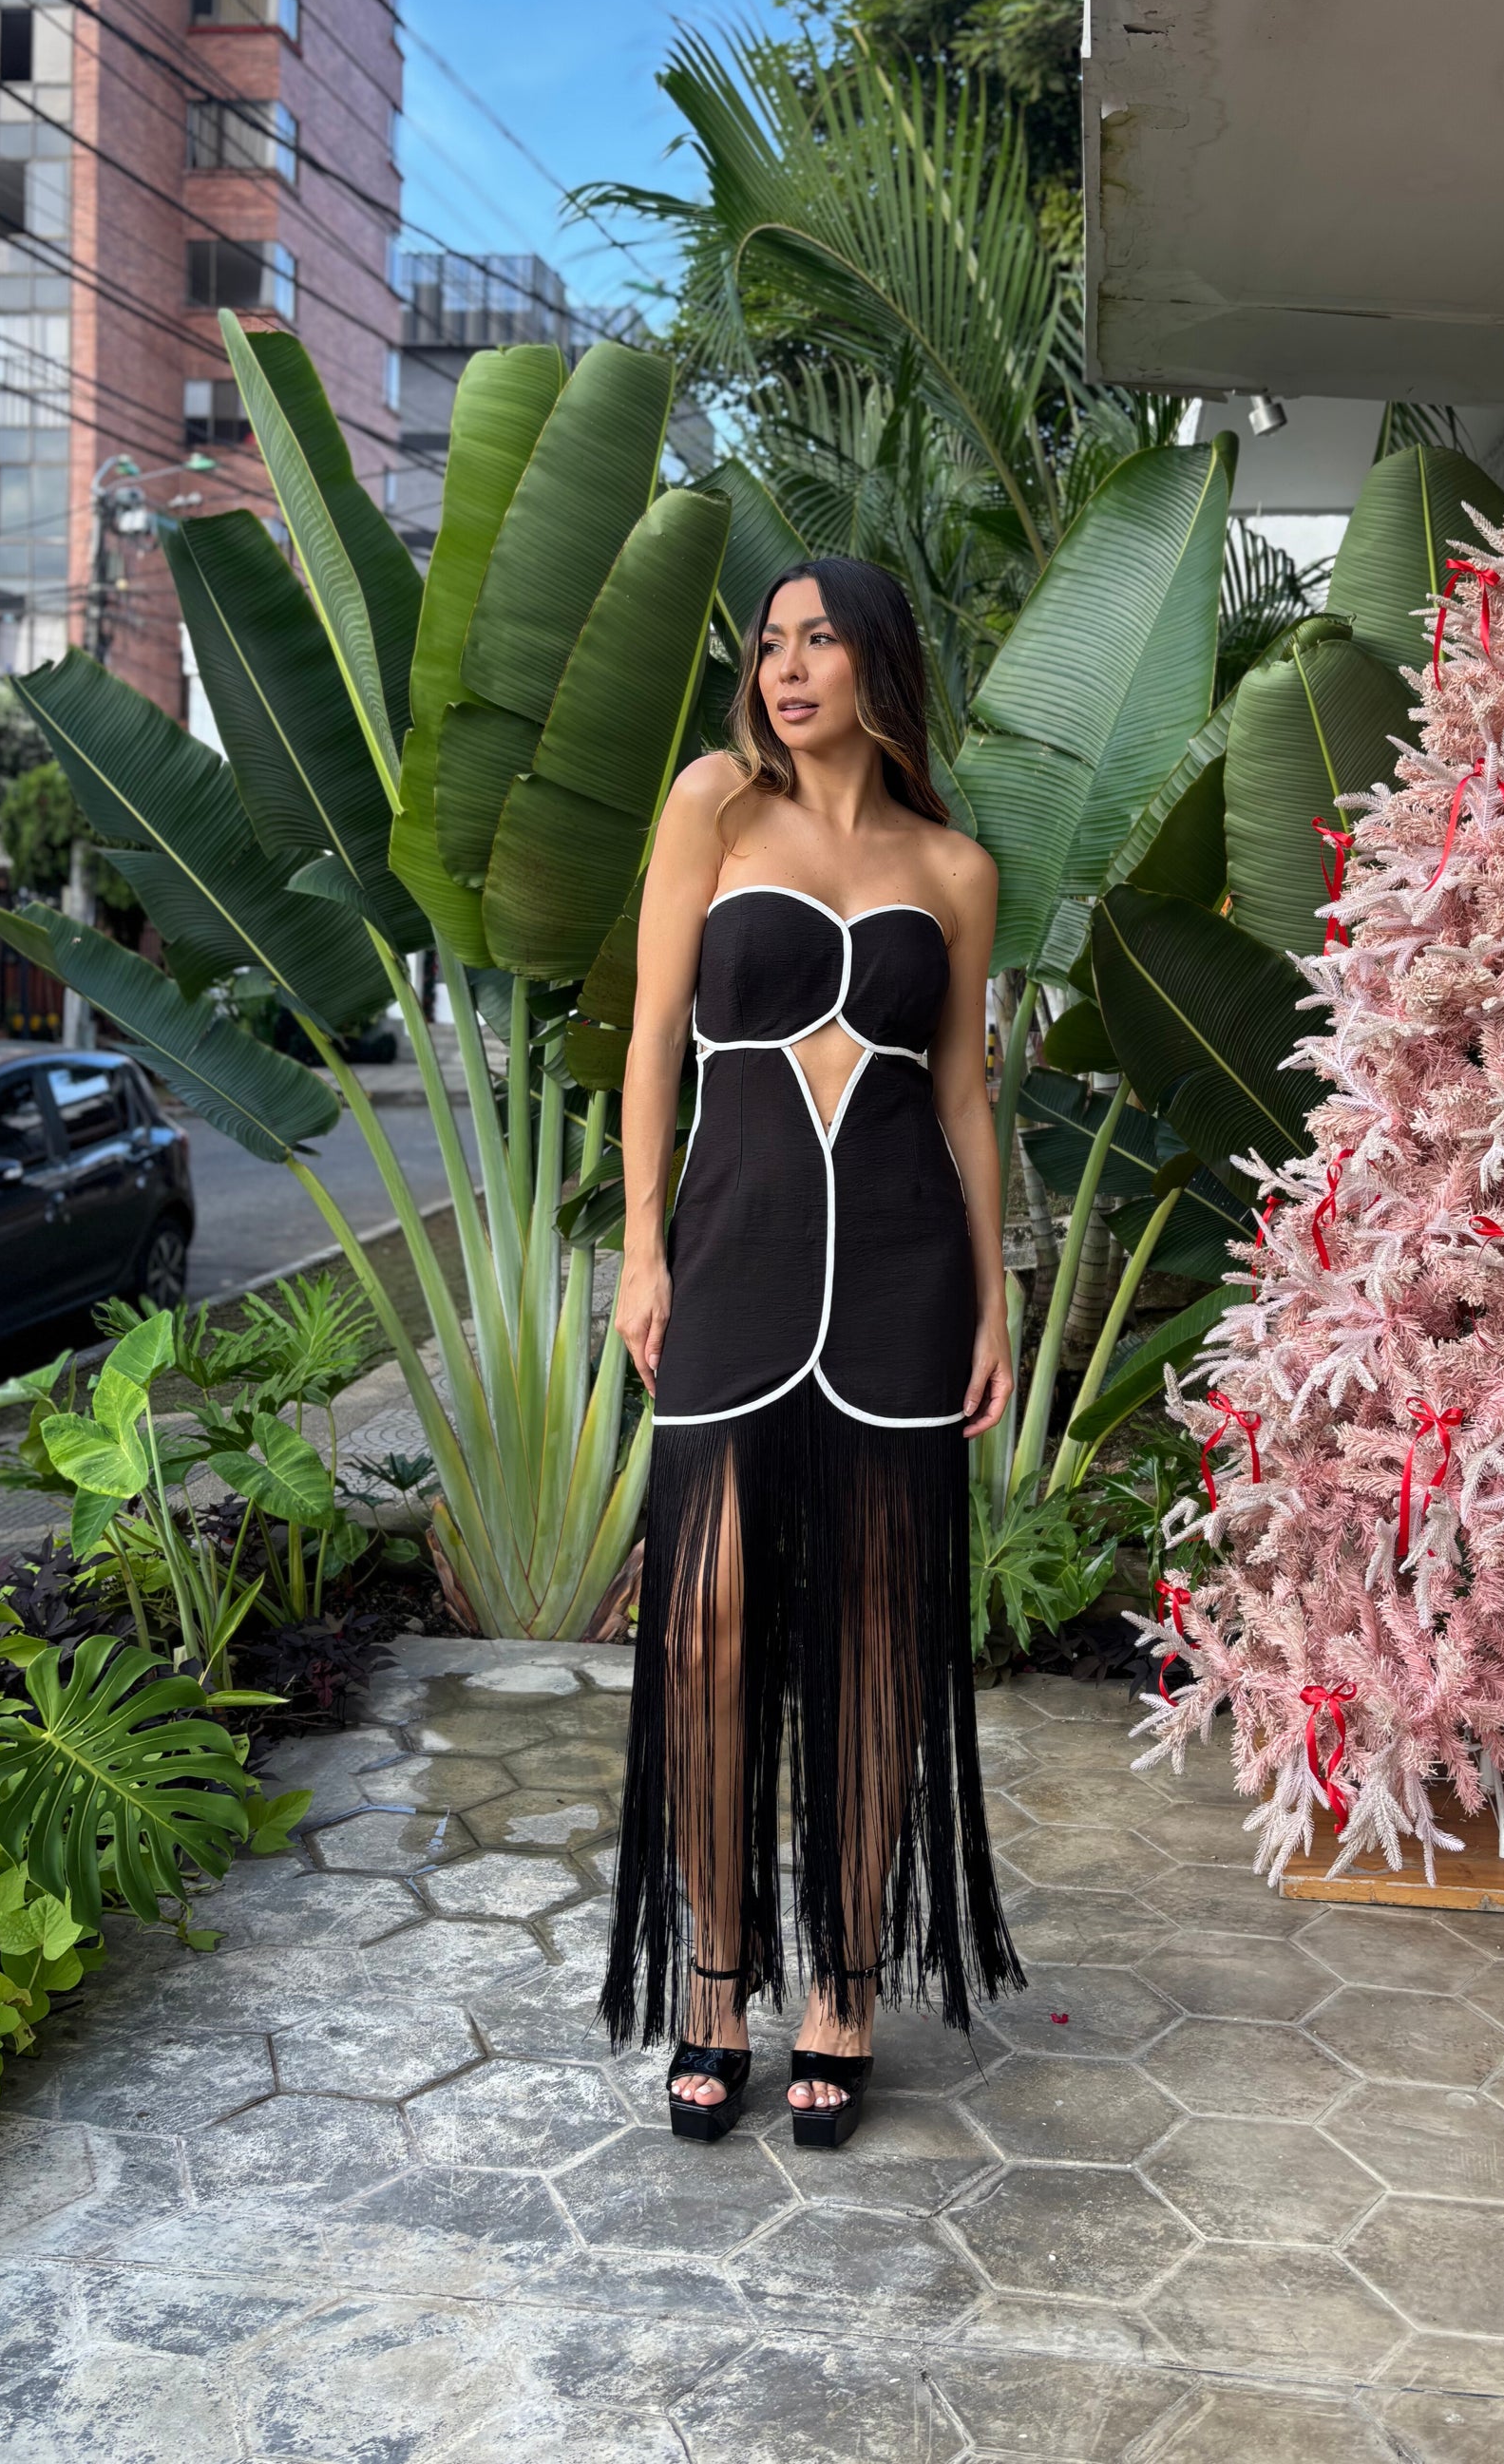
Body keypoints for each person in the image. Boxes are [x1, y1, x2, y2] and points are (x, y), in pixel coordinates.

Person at [600, 555, 1023, 2148]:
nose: (785, 669)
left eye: (819, 641)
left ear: (878, 666)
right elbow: (654, 1035)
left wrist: (993, 1303)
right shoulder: (713, 806)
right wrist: (642, 1247)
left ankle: (842, 1984)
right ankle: (716, 1976)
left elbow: (963, 1094)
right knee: (705, 1629)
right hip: (734, 1257)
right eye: (770, 645)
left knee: (875, 1637)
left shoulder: (955, 869)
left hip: (906, 1275)